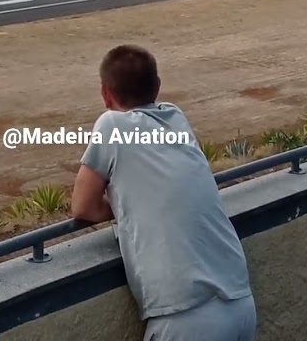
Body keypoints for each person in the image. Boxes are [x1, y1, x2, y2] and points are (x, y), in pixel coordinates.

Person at [71, 44, 257, 341]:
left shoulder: (110, 125)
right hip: (240, 303)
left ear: (106, 94)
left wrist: (126, 206)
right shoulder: (175, 117)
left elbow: (82, 206)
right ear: (157, 88)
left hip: (185, 315)